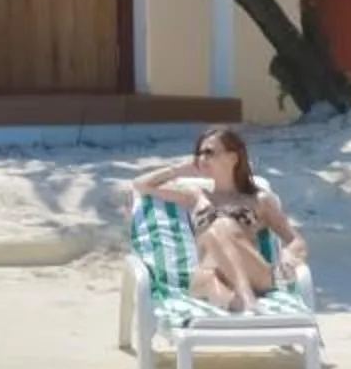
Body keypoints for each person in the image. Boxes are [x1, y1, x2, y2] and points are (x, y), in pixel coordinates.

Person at [131, 125, 308, 313]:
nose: (202, 158)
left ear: (233, 157)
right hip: (208, 275)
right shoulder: (196, 196)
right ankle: (237, 305)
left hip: (254, 275)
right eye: (199, 154)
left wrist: (289, 254)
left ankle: (246, 297)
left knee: (219, 226)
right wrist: (177, 169)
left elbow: (296, 240)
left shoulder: (259, 199)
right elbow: (141, 184)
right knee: (207, 277)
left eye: (209, 152)